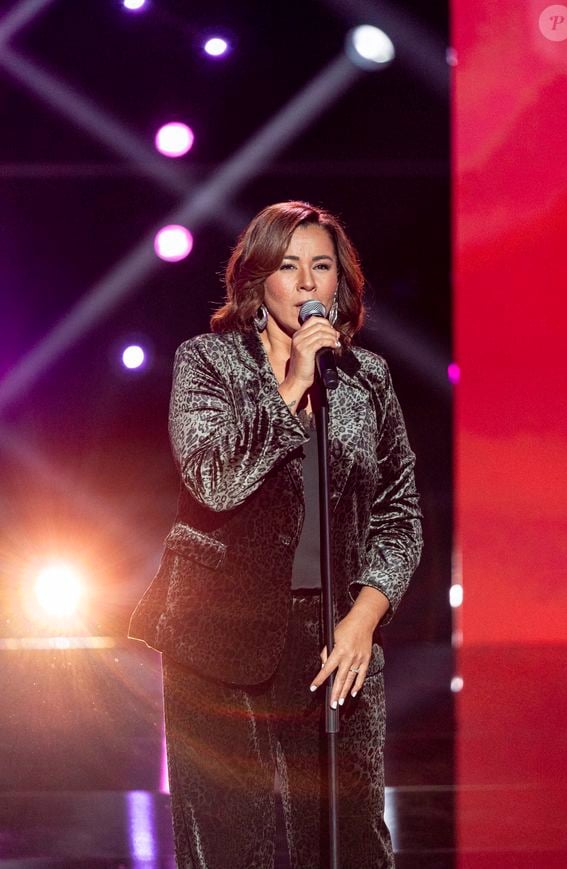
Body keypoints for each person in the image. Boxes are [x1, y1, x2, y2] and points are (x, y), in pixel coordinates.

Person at [128, 200, 422, 869]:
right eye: (290, 267)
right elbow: (213, 479)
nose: (308, 282)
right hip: (219, 639)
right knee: (237, 847)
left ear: (340, 285)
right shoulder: (207, 363)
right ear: (258, 280)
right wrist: (290, 385)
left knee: (350, 844)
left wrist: (365, 616)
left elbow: (399, 512)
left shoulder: (366, 378)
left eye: (322, 267)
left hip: (335, 639)